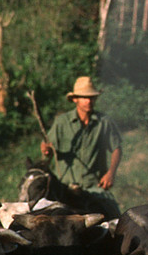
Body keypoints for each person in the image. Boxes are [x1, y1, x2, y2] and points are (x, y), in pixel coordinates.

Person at [39, 75, 123, 219]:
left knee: (116, 218)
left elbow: (117, 148)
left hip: (95, 187)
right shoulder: (61, 122)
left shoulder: (104, 122)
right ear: (75, 99)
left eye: (91, 97)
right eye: (84, 97)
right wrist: (45, 150)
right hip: (66, 187)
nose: (88, 101)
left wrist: (111, 173)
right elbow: (47, 149)